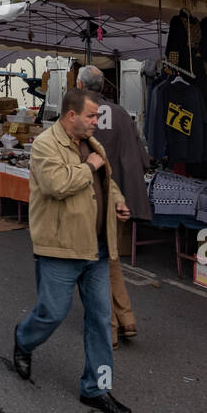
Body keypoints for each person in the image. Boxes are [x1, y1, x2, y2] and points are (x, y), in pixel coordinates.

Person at [12, 88, 132, 413]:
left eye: (97, 116)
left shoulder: (94, 145)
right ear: (71, 116)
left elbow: (106, 183)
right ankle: (23, 339)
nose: (97, 121)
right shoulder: (45, 145)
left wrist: (118, 200)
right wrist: (89, 166)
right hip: (60, 248)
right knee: (52, 312)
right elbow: (56, 185)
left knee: (100, 320)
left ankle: (97, 388)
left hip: (96, 248)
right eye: (92, 116)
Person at [76, 65, 146, 349]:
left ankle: (110, 328)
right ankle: (126, 319)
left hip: (90, 198)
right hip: (119, 199)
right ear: (104, 87)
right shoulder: (120, 113)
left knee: (94, 264)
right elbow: (142, 156)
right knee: (110, 258)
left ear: (80, 85)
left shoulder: (77, 115)